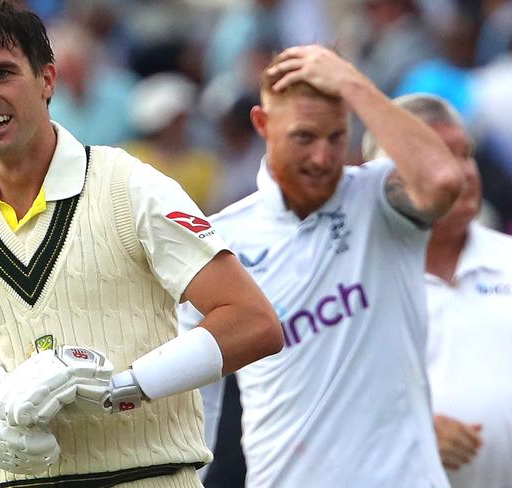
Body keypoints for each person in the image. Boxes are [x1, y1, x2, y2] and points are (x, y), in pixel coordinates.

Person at [0, 1, 283, 487]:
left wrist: (125, 387)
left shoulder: (130, 187)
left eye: (2, 73)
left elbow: (255, 322)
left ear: (47, 80)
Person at [179, 45, 463, 487]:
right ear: (262, 124)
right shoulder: (220, 241)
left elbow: (443, 181)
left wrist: (353, 83)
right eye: (304, 138)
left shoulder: (378, 198)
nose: (323, 159)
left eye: (336, 137)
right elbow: (196, 401)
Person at [363, 93, 512, 488]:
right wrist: (409, 434)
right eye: (442, 155)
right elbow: (317, 416)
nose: (464, 173)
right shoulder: (355, 282)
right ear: (386, 172)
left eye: (467, 154)